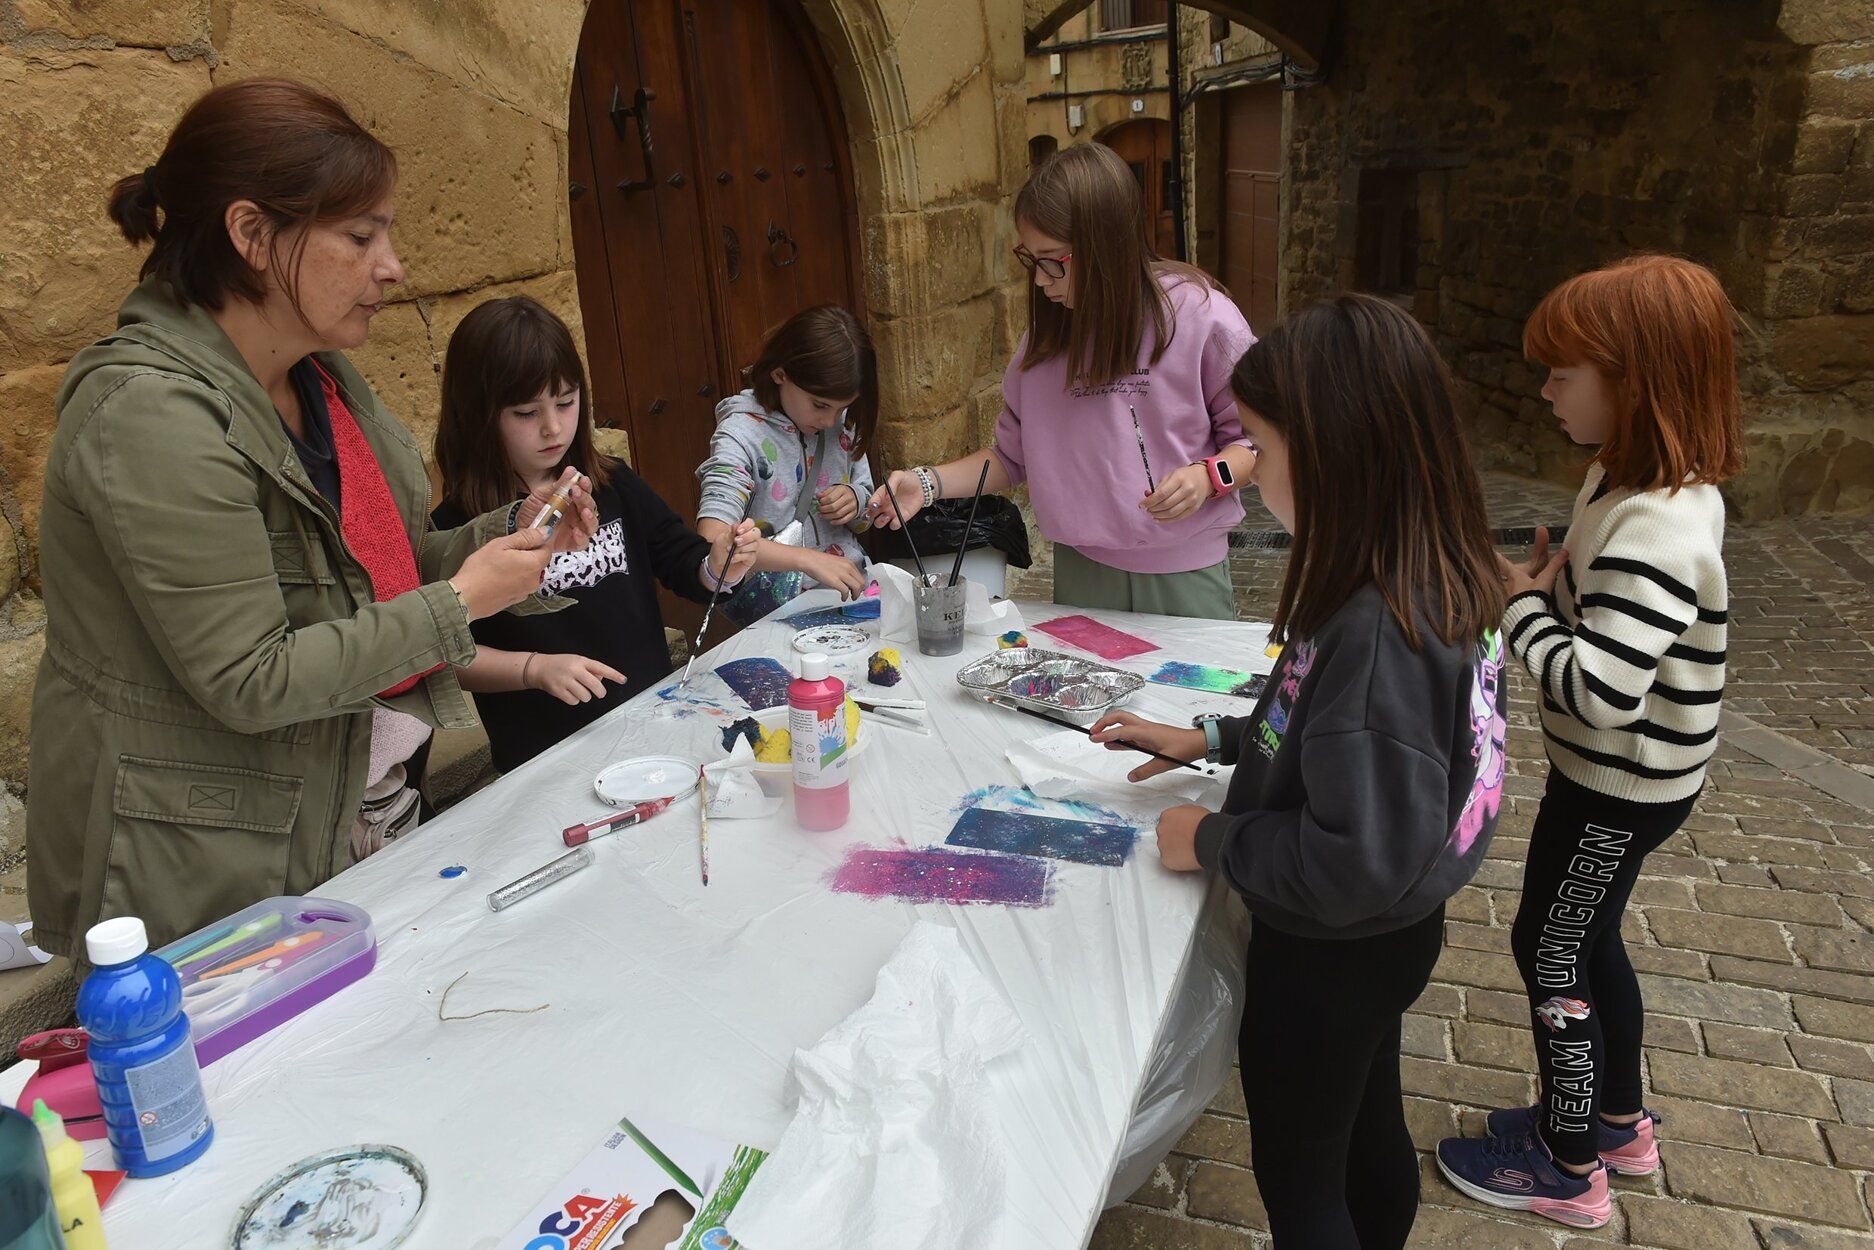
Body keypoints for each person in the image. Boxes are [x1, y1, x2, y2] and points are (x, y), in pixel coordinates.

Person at [25, 78, 597, 957]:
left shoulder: (319, 379)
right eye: (361, 236)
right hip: (213, 867)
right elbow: (250, 676)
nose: (392, 265)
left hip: (350, 814)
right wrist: (463, 601)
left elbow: (377, 574)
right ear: (252, 235)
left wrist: (505, 535)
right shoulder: (149, 415)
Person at [1090, 295, 1508, 1248]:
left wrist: (1212, 839)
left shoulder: (1380, 629)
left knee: (1302, 1172)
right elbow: (1329, 726)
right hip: (1388, 935)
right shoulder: (1413, 567)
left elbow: (1351, 859)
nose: (1251, 471)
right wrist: (1213, 739)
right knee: (1363, 1124)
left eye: (1263, 450)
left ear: (1334, 455)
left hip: (1331, 950)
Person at [1436, 255, 1743, 1229]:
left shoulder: (1656, 526)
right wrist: (1552, 588)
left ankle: (1567, 1164)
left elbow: (1601, 689)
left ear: (1633, 381)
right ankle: (1613, 1121)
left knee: (1550, 949)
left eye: (1561, 373)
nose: (1543, 390)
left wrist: (1519, 607)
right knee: (1587, 935)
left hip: (1619, 783)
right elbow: (1605, 617)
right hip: (1618, 778)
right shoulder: (1623, 479)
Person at [868, 143, 1256, 619]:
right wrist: (925, 484)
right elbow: (1011, 457)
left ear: (1106, 246)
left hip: (1185, 571)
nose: (1040, 279)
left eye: (1053, 259)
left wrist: (1208, 477)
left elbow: (1257, 444)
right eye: (1031, 259)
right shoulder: (1045, 341)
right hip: (1081, 570)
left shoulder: (1201, 317)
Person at [431, 297, 759, 773]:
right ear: (477, 414)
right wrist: (533, 669)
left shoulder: (611, 483)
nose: (553, 427)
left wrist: (720, 565)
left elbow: (681, 560)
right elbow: (445, 654)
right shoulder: (454, 529)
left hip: (648, 725)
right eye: (526, 413)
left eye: (566, 402)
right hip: (546, 758)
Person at [694, 305, 876, 623]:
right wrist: (805, 559)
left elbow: (865, 519)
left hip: (852, 599)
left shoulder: (842, 424)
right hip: (777, 617)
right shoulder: (740, 436)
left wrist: (856, 500)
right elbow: (713, 538)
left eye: (841, 408)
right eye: (819, 405)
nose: (830, 420)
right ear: (780, 374)